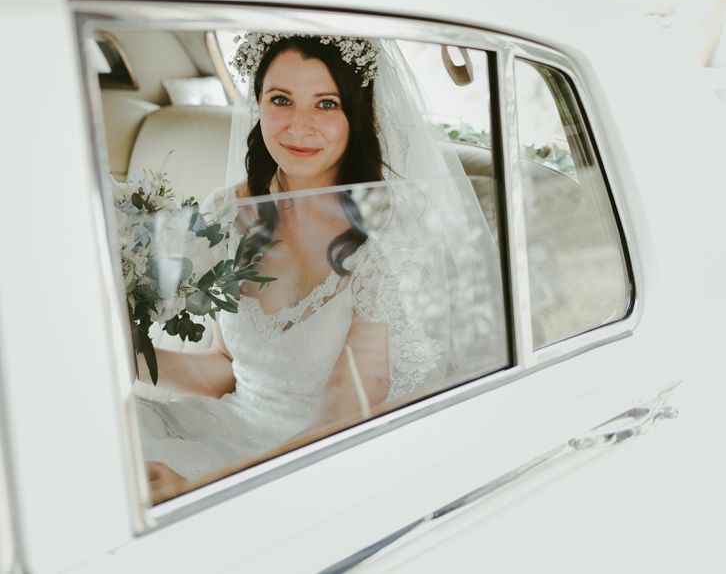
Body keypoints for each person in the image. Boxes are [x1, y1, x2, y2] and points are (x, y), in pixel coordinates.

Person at [136, 33, 501, 497]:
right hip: (223, 428)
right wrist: (121, 350)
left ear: (357, 114)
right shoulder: (229, 211)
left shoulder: (395, 234)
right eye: (282, 100)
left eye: (326, 104)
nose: (299, 126)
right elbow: (230, 370)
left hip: (319, 466)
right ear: (259, 104)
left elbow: (345, 410)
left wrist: (203, 488)